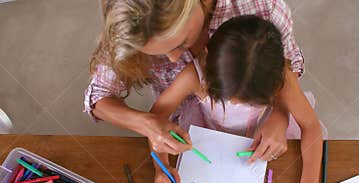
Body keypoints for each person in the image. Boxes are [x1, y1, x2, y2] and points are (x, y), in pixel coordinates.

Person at [150, 16, 324, 183]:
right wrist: (161, 167)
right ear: (208, 61)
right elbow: (156, 118)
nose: (234, 105)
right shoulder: (194, 76)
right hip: (208, 135)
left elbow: (311, 126)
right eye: (225, 98)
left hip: (268, 139)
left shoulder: (280, 78)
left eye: (251, 102)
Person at [84, 0, 302, 159]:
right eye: (155, 53)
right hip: (183, 132)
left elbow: (283, 71)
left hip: (262, 126)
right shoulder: (130, 27)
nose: (173, 58)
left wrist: (280, 115)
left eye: (180, 43)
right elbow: (99, 97)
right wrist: (148, 123)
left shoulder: (260, 7)